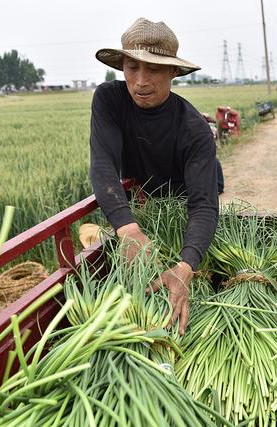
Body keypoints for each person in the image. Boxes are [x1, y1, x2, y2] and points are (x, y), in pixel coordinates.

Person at [91, 18, 219, 334]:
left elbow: (203, 205)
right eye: (132, 67)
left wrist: (186, 266)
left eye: (154, 69)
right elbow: (103, 164)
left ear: (174, 71)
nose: (141, 81)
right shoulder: (109, 99)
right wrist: (128, 228)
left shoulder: (194, 130)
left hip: (188, 192)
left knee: (189, 240)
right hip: (147, 198)